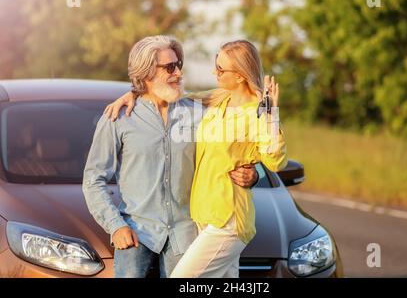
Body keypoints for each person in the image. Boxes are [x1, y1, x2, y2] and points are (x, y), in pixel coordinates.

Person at [105, 39, 287, 278]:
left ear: (241, 75)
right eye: (216, 64)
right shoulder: (218, 99)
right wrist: (134, 92)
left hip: (228, 220)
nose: (214, 72)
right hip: (202, 218)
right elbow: (171, 95)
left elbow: (275, 161)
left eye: (221, 69)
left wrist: (271, 114)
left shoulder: (258, 112)